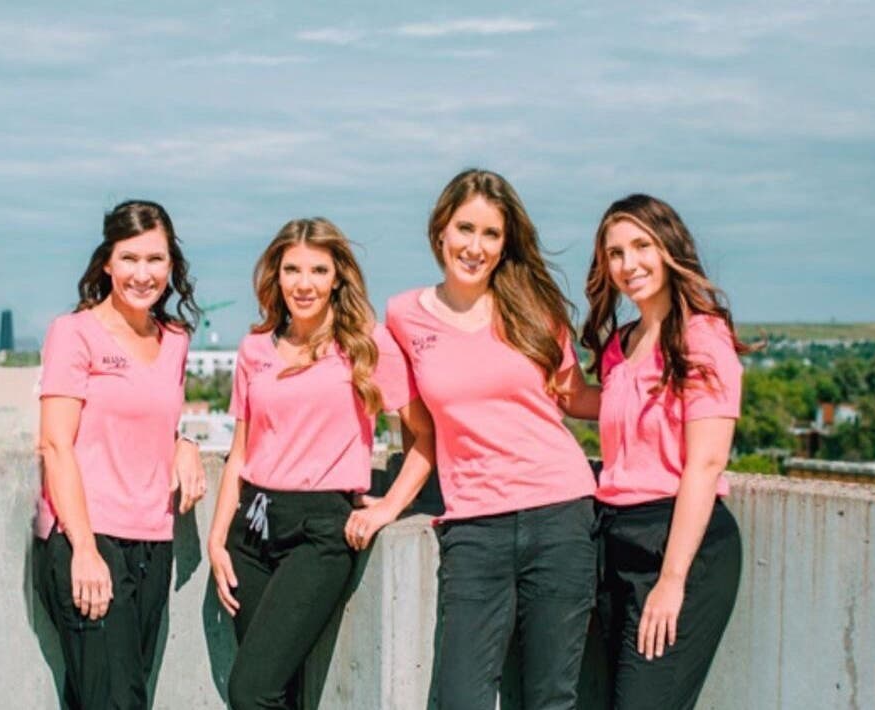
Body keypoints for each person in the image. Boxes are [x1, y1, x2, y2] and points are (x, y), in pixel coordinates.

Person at [385, 169, 600, 709]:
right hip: (474, 525)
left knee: (550, 698)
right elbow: (419, 427)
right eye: (465, 228)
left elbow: (574, 397)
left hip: (561, 514)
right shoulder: (403, 316)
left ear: (506, 245)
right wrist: (390, 503)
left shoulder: (533, 308)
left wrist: (665, 397)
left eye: (490, 234)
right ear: (441, 229)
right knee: (461, 698)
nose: (475, 247)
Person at [207, 217, 436, 710]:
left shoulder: (366, 344)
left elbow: (426, 436)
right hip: (251, 530)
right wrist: (217, 539)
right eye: (292, 269)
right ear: (276, 276)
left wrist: (389, 507)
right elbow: (240, 452)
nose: (303, 283)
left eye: (318, 270)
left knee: (250, 691)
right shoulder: (255, 348)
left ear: (337, 278)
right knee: (278, 692)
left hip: (319, 533)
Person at [33, 199, 206, 710]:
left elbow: (151, 419)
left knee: (111, 696)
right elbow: (55, 444)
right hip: (87, 539)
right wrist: (85, 550)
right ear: (107, 262)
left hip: (154, 541)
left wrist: (185, 443)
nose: (142, 274)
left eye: (155, 259)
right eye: (129, 258)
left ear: (171, 265)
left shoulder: (175, 340)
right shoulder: (74, 333)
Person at [581, 194, 747, 709]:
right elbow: (601, 404)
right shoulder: (621, 344)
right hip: (616, 540)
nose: (628, 264)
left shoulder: (702, 335)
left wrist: (672, 580)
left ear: (669, 247)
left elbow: (706, 463)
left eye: (641, 246)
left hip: (677, 544)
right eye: (615, 253)